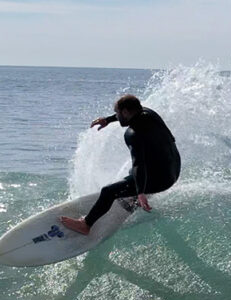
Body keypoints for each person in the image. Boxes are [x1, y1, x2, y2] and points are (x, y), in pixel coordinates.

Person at [60, 94, 181, 235]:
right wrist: (107, 120)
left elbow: (139, 164)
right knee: (133, 173)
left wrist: (140, 191)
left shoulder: (133, 134)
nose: (116, 116)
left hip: (161, 181)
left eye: (117, 113)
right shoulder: (149, 113)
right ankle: (135, 199)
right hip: (174, 168)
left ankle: (85, 224)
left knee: (108, 191)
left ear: (125, 112)